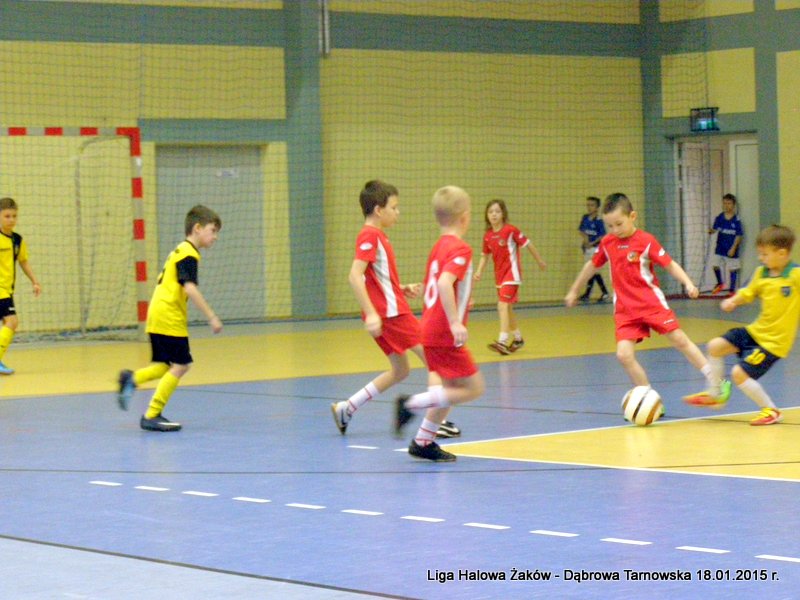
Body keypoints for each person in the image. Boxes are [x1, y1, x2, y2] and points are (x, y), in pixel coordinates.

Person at [330, 180, 460, 439]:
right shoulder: (370, 235)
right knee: (436, 359)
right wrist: (372, 313)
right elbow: (355, 276)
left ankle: (347, 408)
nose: (398, 212)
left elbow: (374, 279)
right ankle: (436, 420)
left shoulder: (378, 236)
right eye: (394, 207)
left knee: (401, 370)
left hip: (389, 311)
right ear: (379, 210)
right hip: (392, 315)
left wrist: (400, 288)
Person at [565, 192, 721, 402]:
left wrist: (688, 282)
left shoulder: (646, 241)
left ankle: (715, 380)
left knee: (679, 339)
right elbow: (591, 266)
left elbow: (669, 264)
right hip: (625, 310)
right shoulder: (608, 243)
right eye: (609, 226)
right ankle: (649, 397)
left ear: (632, 216)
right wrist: (574, 290)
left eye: (619, 224)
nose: (615, 230)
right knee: (623, 355)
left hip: (650, 304)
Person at [395, 185, 485, 462]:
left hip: (430, 327)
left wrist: (461, 302)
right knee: (473, 388)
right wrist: (455, 321)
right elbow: (445, 283)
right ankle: (410, 404)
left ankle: (423, 441)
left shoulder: (438, 247)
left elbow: (437, 285)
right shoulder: (461, 248)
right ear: (465, 217)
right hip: (444, 331)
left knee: (449, 388)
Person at [117, 205, 223, 432]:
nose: (215, 237)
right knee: (182, 365)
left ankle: (131, 379)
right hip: (168, 317)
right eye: (213, 230)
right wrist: (212, 317)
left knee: (165, 365)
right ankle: (152, 414)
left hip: (156, 314)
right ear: (197, 228)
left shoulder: (179, 250)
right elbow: (190, 288)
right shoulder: (189, 254)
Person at [683, 225, 799, 425]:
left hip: (774, 343)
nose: (761, 258)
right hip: (755, 332)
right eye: (759, 254)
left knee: (739, 374)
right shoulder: (761, 273)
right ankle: (715, 393)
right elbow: (748, 292)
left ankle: (771, 410)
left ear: (782, 254)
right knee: (715, 346)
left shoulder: (795, 275)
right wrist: (733, 301)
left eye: (765, 254)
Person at [473, 198, 547, 355]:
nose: (494, 214)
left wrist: (539, 260)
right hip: (499, 276)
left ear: (503, 214)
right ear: (486, 215)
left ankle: (502, 341)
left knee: (502, 305)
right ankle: (518, 338)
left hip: (512, 273)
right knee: (508, 308)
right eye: (490, 212)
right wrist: (479, 271)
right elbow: (485, 255)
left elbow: (528, 244)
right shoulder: (487, 236)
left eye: (497, 211)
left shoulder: (510, 230)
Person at [0, 197, 42, 375]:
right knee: (12, 321)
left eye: (14, 216)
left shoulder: (17, 240)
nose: (11, 220)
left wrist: (35, 281)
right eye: (7, 216)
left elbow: (23, 261)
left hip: (7, 289)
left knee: (6, 323)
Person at [708, 193, 743, 294]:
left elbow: (739, 235)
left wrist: (733, 248)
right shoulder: (719, 217)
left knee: (732, 269)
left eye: (729, 203)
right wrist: (711, 231)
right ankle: (720, 283)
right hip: (720, 247)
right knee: (715, 265)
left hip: (730, 248)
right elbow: (715, 229)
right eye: (724, 203)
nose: (726, 206)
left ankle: (732, 290)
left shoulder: (736, 220)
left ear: (733, 205)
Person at [577, 196, 609, 303]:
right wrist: (586, 241)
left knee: (593, 270)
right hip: (587, 248)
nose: (589, 207)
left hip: (596, 248)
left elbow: (602, 236)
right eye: (588, 205)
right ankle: (589, 294)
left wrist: (591, 243)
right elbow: (582, 231)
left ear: (597, 207)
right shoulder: (585, 218)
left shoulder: (599, 220)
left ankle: (604, 293)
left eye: (592, 205)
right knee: (591, 271)